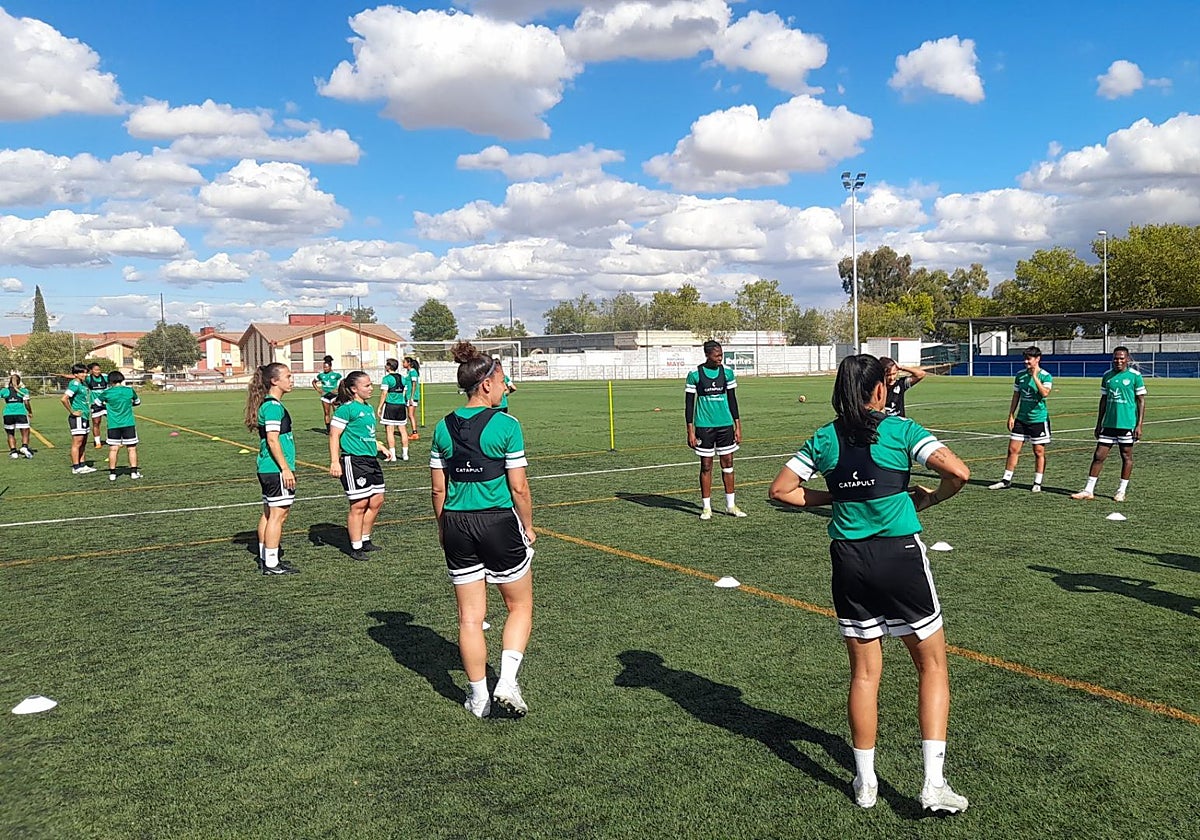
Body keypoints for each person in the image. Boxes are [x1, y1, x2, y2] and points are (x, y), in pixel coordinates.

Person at [768, 353, 971, 814]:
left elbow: (779, 491)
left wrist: (835, 494)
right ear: (880, 388)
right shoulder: (902, 430)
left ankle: (865, 784)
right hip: (899, 555)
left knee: (864, 674)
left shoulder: (824, 437)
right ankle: (933, 784)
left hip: (849, 561)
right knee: (933, 667)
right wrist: (930, 498)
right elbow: (958, 472)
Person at [430, 342, 535, 719]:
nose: (507, 387)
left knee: (469, 618)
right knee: (519, 604)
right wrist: (528, 526)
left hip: (456, 524)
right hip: (497, 522)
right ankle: (506, 681)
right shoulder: (507, 425)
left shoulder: (442, 426)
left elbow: (438, 489)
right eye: (503, 380)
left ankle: (478, 699)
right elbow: (519, 487)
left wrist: (443, 528)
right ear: (486, 384)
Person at [1071, 346, 1147, 502]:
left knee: (1126, 457)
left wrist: (1139, 425)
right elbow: (1103, 400)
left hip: (1127, 425)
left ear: (1127, 359)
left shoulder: (1135, 376)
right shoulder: (1107, 376)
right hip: (1109, 424)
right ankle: (1088, 490)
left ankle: (1121, 491)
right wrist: (1099, 423)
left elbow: (1141, 401)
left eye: (1121, 358)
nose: (1118, 361)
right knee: (1098, 456)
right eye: (1116, 358)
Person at [245, 363, 300, 575]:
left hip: (267, 467)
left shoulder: (268, 405)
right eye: (288, 376)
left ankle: (265, 556)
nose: (291, 379)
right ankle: (271, 563)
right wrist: (285, 468)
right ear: (274, 381)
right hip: (275, 468)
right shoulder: (273, 407)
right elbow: (272, 439)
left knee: (269, 513)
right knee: (279, 515)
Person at [329, 371, 387, 561]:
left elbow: (366, 434)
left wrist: (379, 446)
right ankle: (355, 546)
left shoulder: (368, 408)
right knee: (359, 504)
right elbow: (334, 435)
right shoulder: (346, 409)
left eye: (371, 385)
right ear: (354, 389)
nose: (371, 388)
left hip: (371, 460)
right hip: (353, 461)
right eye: (367, 385)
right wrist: (334, 461)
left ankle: (365, 538)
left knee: (377, 500)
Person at [685, 339, 745, 519]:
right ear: (707, 355)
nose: (720, 358)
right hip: (704, 427)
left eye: (721, 354)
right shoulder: (695, 374)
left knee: (728, 464)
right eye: (717, 355)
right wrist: (690, 431)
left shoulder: (727, 373)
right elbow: (689, 405)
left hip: (725, 425)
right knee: (706, 465)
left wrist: (738, 426)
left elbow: (733, 401)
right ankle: (706, 507)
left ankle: (730, 505)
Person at [988, 346, 1052, 492]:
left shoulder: (1046, 376)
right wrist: (1011, 414)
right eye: (1025, 358)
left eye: (1029, 359)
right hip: (1021, 419)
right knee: (1012, 449)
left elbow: (1044, 393)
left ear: (1037, 359)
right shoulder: (1020, 376)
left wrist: (1035, 376)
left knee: (1038, 452)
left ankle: (1037, 482)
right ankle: (1006, 480)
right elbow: (1016, 395)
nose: (1026, 362)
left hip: (1038, 420)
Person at [95, 371, 142, 480]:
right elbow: (137, 402)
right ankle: (134, 473)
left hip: (113, 424)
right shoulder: (129, 390)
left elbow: (97, 403)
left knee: (113, 449)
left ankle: (112, 474)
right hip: (128, 423)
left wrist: (107, 405)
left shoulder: (107, 392)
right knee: (131, 448)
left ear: (110, 381)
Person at [61, 363, 96, 474]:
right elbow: (64, 399)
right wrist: (72, 411)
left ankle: (82, 464)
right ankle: (76, 467)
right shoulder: (75, 384)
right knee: (77, 442)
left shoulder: (83, 383)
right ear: (75, 374)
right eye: (81, 372)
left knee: (84, 442)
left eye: (85, 372)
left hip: (85, 416)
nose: (84, 374)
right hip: (78, 417)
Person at [377, 358, 410, 462]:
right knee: (403, 431)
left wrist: (380, 407)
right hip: (401, 406)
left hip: (390, 406)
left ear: (389, 366)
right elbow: (404, 393)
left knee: (389, 431)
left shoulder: (386, 378)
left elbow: (384, 393)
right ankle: (405, 455)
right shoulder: (403, 378)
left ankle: (393, 456)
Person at [2, 373, 34, 459]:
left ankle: (13, 452)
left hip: (8, 414)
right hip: (21, 413)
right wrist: (30, 412)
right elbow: (27, 403)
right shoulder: (23, 391)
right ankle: (24, 447)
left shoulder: (4, 391)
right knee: (25, 431)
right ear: (19, 381)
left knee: (10, 433)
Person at [312, 355, 342, 432]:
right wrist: (318, 389)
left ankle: (338, 428)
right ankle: (328, 430)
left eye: (326, 367)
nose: (325, 369)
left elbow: (343, 382)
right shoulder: (321, 375)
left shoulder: (336, 375)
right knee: (326, 413)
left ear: (330, 366)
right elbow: (314, 382)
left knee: (337, 412)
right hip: (325, 396)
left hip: (334, 396)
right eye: (324, 367)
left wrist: (337, 389)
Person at [85, 362, 109, 449]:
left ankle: (111, 439)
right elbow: (75, 377)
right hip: (95, 404)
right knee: (96, 423)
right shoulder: (88, 378)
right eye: (96, 370)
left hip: (107, 404)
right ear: (91, 371)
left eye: (99, 369)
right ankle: (98, 442)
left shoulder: (105, 377)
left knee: (112, 421)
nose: (98, 371)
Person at [403, 356, 422, 439]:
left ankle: (415, 433)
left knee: (411, 415)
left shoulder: (413, 372)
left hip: (411, 397)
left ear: (409, 363)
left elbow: (414, 384)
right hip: (408, 396)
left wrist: (411, 397)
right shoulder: (409, 372)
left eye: (404, 362)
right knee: (410, 415)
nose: (403, 364)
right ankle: (413, 432)